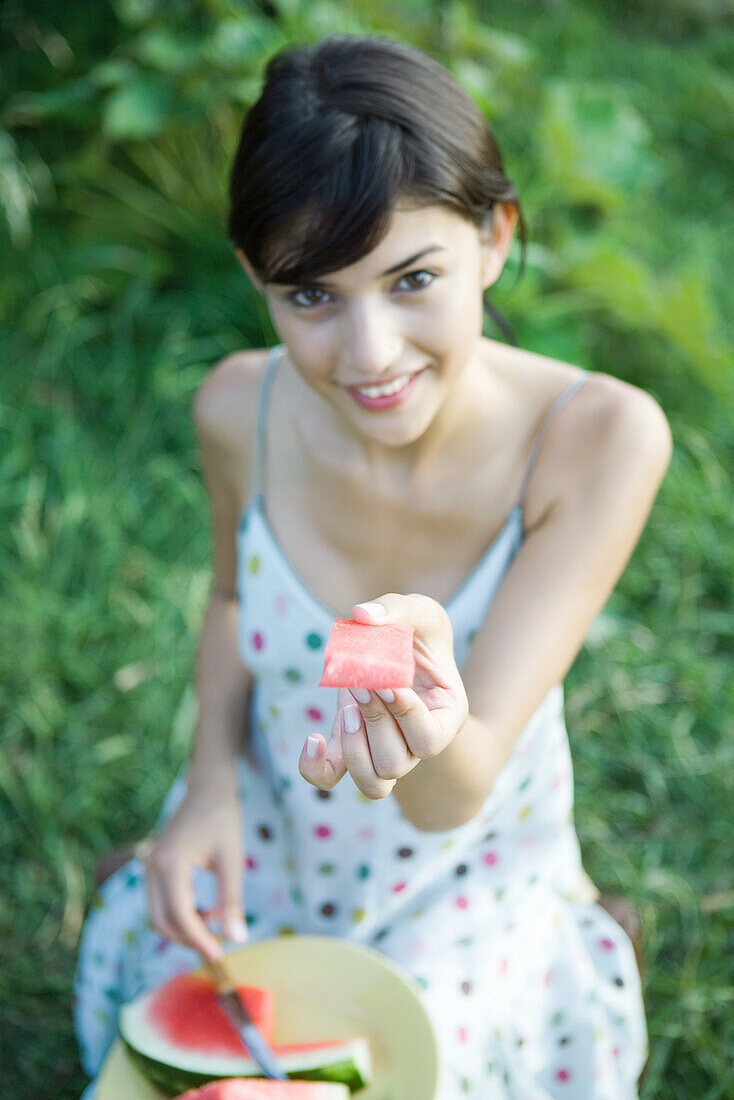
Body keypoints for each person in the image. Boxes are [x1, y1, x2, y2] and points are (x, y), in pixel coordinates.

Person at [74, 33, 672, 1099]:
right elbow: (225, 604)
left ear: (494, 237)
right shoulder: (235, 408)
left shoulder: (598, 438)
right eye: (311, 296)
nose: (367, 354)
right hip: (267, 833)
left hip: (459, 869)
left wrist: (429, 722)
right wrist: (207, 785)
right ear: (255, 276)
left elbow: (457, 793)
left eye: (412, 280)